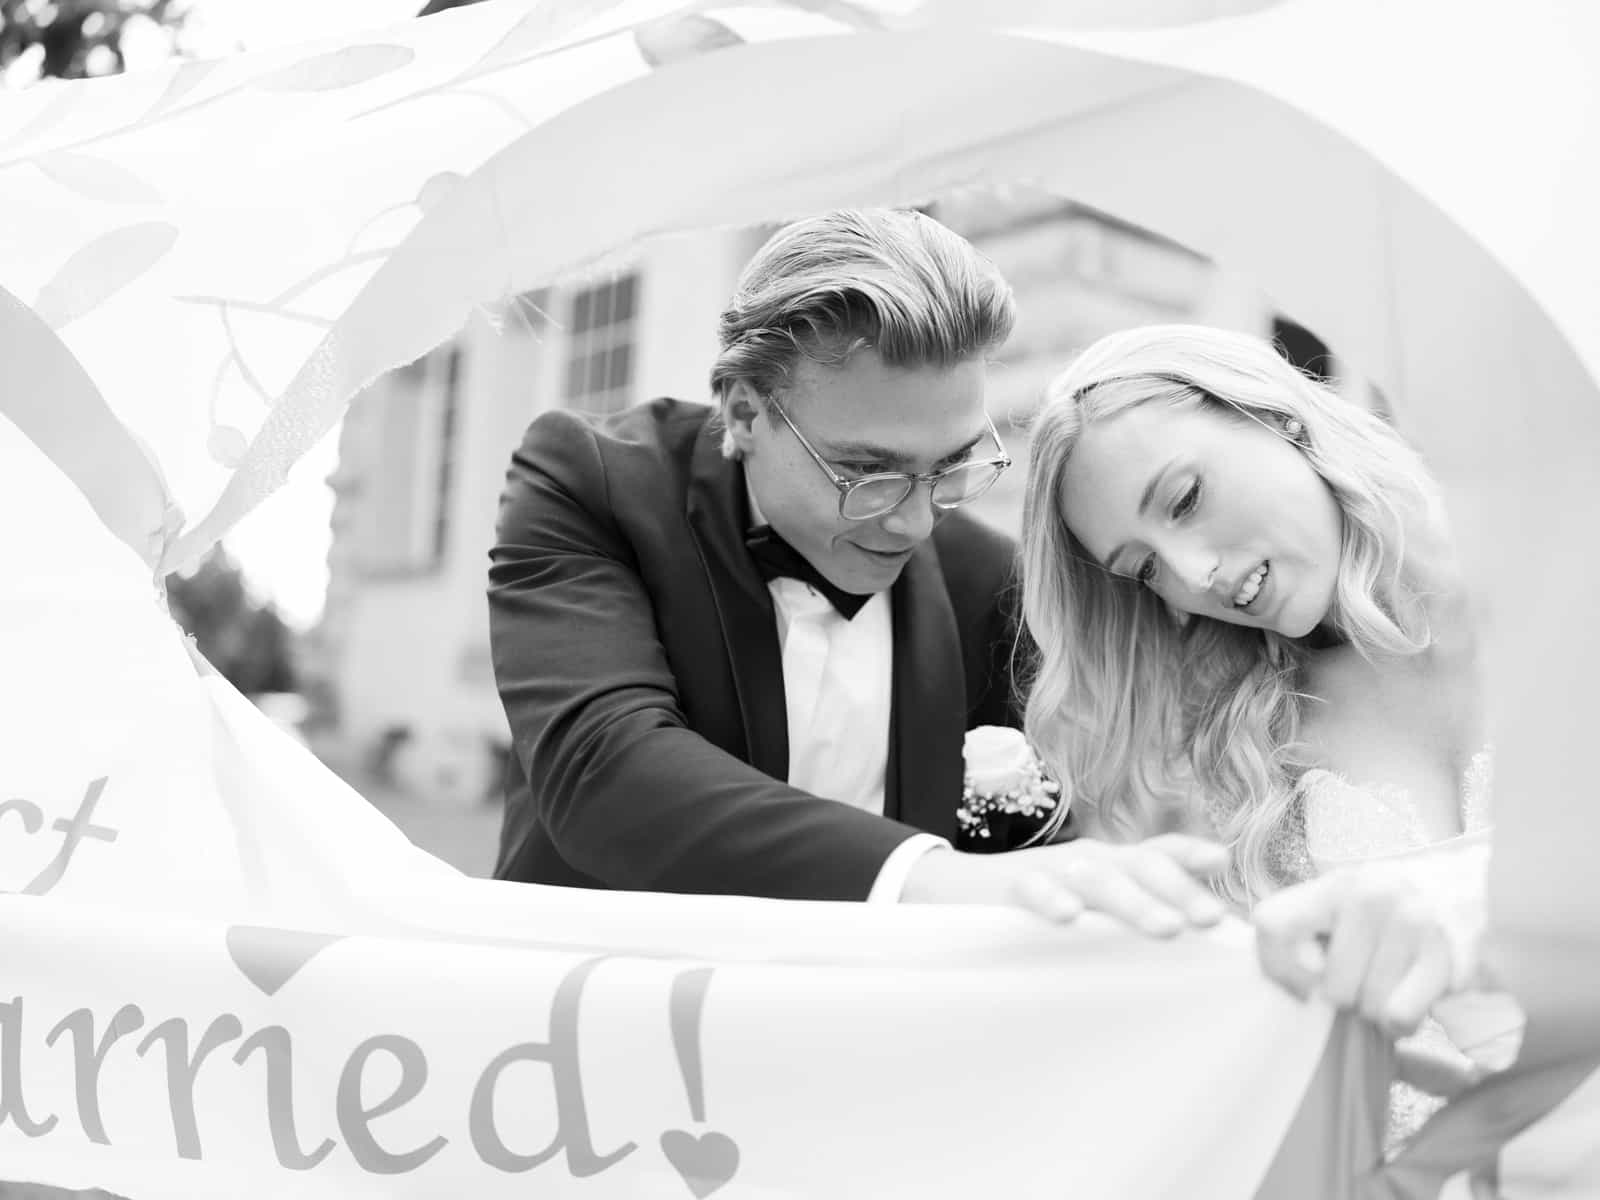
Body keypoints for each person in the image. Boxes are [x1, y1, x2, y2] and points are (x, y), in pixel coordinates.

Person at [487, 209, 1226, 932]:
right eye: (868, 473)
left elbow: (1025, 850)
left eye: (952, 465)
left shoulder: (987, 580)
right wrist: (924, 874)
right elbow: (602, 770)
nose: (916, 523)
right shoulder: (592, 484)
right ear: (746, 414)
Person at [1017, 322, 1552, 1165]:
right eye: (1144, 570)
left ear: (1275, 417)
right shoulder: (1234, 754)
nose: (1191, 576)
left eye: (1184, 500)